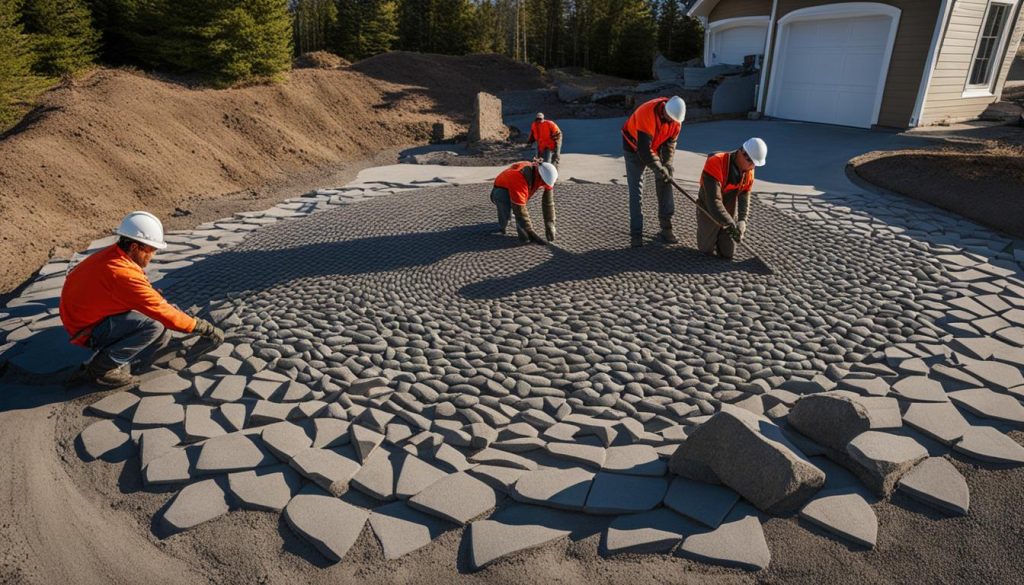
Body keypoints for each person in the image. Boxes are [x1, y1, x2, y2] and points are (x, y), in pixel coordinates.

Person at [60, 211, 224, 387]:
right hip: (86, 329)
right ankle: (102, 369)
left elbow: (148, 299)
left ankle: (120, 351)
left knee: (157, 315)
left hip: (81, 315)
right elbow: (160, 309)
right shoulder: (123, 274)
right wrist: (200, 326)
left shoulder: (114, 255)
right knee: (153, 326)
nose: (152, 255)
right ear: (134, 247)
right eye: (151, 249)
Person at [622, 96, 686, 247]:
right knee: (636, 190)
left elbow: (670, 144)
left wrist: (667, 165)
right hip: (633, 147)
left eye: (673, 120)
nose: (670, 121)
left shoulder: (676, 121)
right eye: (668, 117)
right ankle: (636, 234)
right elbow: (644, 150)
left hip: (655, 147)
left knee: (666, 179)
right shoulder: (647, 113)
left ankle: (666, 228)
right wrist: (658, 168)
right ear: (664, 109)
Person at [696, 137, 767, 260]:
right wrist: (730, 224)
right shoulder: (716, 162)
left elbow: (744, 195)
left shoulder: (749, 170)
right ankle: (711, 232)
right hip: (709, 201)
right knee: (705, 250)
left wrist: (742, 220)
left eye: (755, 164)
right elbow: (714, 202)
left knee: (728, 253)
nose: (752, 166)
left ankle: (719, 233)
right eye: (750, 162)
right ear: (742, 153)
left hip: (729, 203)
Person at [490, 161, 559, 245]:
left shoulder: (545, 176)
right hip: (500, 192)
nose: (544, 185)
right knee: (511, 208)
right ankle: (502, 227)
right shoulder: (519, 176)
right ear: (539, 175)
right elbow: (519, 208)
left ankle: (518, 225)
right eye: (543, 183)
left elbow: (548, 203)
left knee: (521, 216)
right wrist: (530, 231)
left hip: (516, 189)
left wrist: (550, 223)